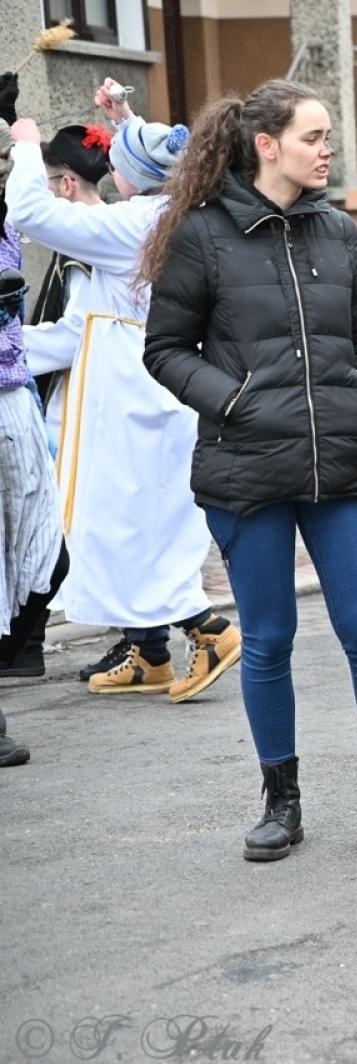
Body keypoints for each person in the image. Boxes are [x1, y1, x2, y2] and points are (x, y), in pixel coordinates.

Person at [141, 79, 357, 862]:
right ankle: (280, 799)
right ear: (267, 145)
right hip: (247, 466)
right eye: (315, 137)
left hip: (340, 462)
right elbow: (165, 349)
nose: (329, 149)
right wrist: (234, 403)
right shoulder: (201, 234)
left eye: (329, 137)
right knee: (267, 639)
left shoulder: (339, 232)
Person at [5, 80, 240, 702]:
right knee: (138, 519)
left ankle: (206, 629)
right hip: (147, 385)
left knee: (127, 522)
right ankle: (149, 650)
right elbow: (76, 328)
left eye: (117, 164)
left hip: (131, 392)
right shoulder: (176, 211)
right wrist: (127, 118)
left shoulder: (132, 224)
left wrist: (25, 146)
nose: (108, 172)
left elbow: (30, 214)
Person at [0, 122, 110, 680]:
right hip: (50, 391)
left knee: (58, 526)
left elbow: (76, 334)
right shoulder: (101, 231)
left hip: (79, 396)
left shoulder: (88, 243)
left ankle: (147, 637)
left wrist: (16, 348)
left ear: (65, 184)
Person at [0, 111, 68, 763]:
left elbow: (24, 205)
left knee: (43, 549)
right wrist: (23, 141)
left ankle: (19, 650)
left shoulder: (8, 226)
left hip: (11, 398)